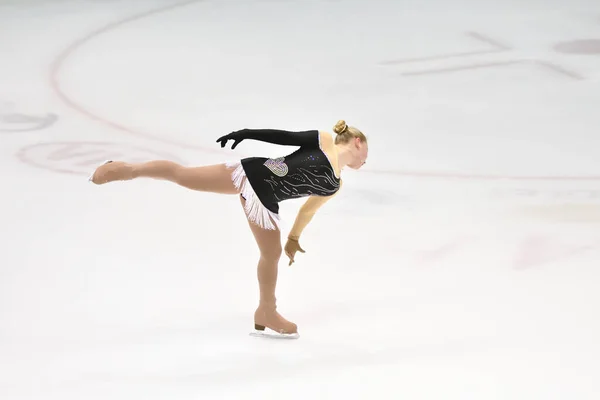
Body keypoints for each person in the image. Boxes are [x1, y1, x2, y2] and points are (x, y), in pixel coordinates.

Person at [88, 119, 368, 338]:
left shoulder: (335, 184)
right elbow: (284, 137)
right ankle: (126, 170)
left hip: (265, 200)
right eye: (365, 154)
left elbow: (309, 209)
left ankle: (266, 312)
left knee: (271, 254)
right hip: (252, 173)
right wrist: (247, 133)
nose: (365, 161)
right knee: (185, 176)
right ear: (357, 142)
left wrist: (294, 238)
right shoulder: (324, 140)